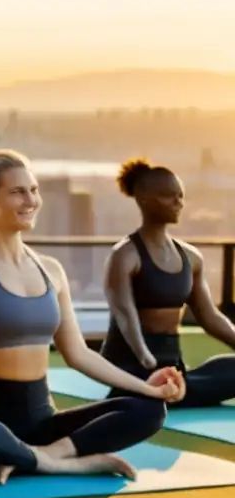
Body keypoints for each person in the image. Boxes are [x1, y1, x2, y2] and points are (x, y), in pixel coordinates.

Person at [0, 149, 185, 486]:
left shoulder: (51, 271)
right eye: (18, 192)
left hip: (41, 424)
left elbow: (77, 353)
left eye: (33, 190)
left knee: (149, 411)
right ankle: (68, 464)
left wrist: (148, 389)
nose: (31, 200)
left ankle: (45, 456)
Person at [100, 158, 235, 408]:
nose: (178, 203)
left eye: (180, 196)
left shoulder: (191, 257)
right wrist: (146, 359)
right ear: (143, 198)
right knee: (150, 395)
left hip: (172, 364)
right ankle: (149, 391)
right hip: (131, 364)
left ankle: (171, 390)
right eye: (168, 196)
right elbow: (124, 313)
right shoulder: (125, 255)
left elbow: (209, 316)